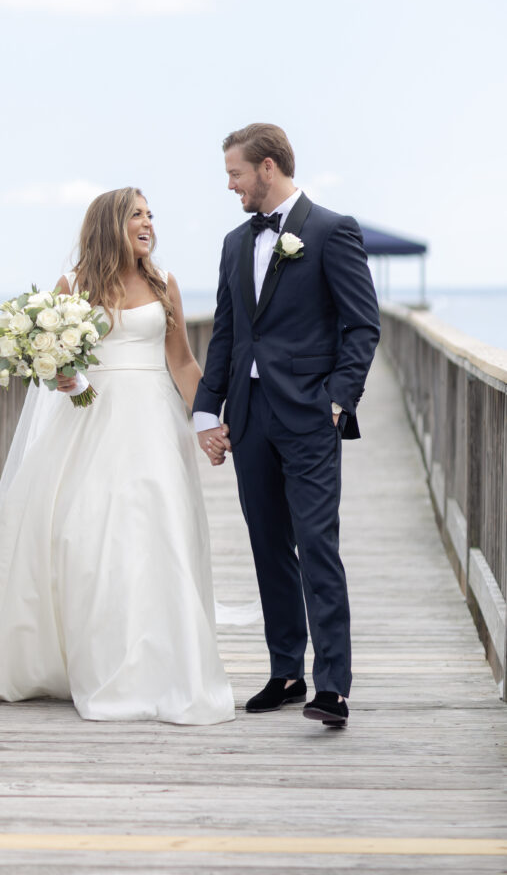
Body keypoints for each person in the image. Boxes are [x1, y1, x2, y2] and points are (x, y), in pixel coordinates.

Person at [0, 187, 235, 725]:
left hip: (152, 426)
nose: (148, 223)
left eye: (151, 215)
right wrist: (61, 374)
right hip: (90, 420)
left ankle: (158, 667)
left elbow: (184, 363)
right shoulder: (72, 288)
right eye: (136, 215)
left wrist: (209, 422)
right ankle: (92, 661)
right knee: (88, 539)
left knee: (156, 534)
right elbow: (52, 369)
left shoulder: (163, 284)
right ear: (109, 224)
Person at [193, 124, 380, 728]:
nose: (231, 185)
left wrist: (336, 401)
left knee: (317, 545)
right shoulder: (232, 243)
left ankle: (333, 686)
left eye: (236, 174)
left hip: (308, 415)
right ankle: (286, 671)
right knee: (268, 546)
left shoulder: (331, 230)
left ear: (267, 168)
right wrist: (206, 409)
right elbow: (227, 333)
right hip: (248, 419)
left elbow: (363, 326)